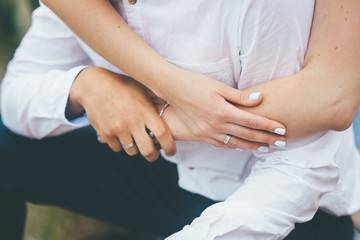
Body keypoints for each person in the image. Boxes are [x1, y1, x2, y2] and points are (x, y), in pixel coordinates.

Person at [1, 1, 360, 240]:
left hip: (279, 207)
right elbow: (14, 98)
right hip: (162, 170)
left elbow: (304, 164)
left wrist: (167, 120)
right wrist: (86, 86)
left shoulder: (257, 10)